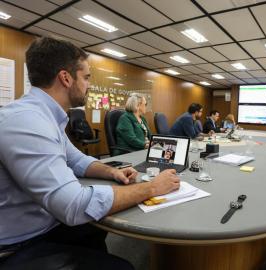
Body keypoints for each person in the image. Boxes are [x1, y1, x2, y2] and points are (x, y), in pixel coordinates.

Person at [0, 37, 180, 270]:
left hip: (46, 224)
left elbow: (77, 159)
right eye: (86, 78)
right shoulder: (26, 121)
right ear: (66, 78)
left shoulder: (45, 116)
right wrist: (152, 188)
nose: (89, 85)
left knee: (94, 231)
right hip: (19, 245)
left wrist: (112, 172)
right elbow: (73, 205)